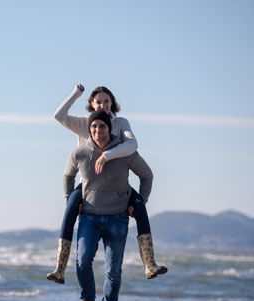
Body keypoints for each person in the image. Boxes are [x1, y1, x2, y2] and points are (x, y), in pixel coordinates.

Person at [47, 84, 167, 283]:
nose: (103, 105)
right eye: (98, 102)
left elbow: (133, 144)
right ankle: (59, 268)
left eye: (107, 101)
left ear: (112, 103)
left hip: (116, 182)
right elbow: (58, 116)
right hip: (88, 183)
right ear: (92, 105)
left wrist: (107, 155)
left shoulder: (120, 123)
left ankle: (149, 264)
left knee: (140, 207)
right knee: (69, 210)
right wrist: (76, 94)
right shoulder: (85, 123)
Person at [65, 111, 153, 301]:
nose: (97, 131)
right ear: (89, 130)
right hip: (89, 218)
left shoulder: (124, 152)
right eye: (93, 127)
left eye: (102, 127)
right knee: (82, 261)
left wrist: (139, 202)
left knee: (113, 270)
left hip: (117, 217)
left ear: (109, 129)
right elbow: (67, 176)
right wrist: (71, 202)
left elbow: (147, 175)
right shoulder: (80, 152)